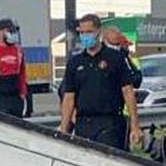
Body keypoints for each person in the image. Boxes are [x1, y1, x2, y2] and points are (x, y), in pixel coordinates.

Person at [58, 14, 142, 150]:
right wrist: (64, 129)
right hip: (83, 125)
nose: (85, 36)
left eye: (89, 32)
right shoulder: (75, 62)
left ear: (98, 32)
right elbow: (69, 97)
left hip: (109, 123)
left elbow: (128, 92)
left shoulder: (115, 58)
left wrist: (135, 126)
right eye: (82, 32)